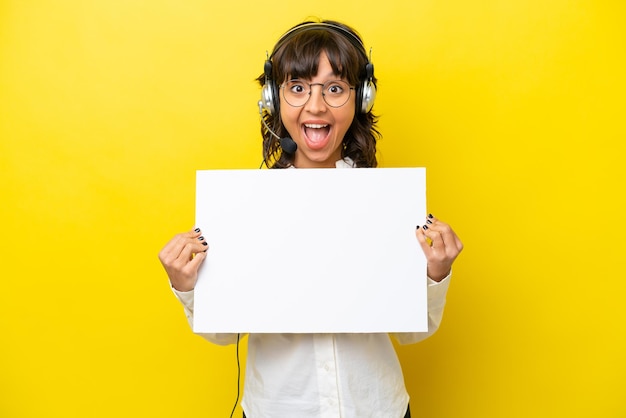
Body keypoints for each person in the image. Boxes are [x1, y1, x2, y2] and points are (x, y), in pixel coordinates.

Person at [158, 19, 463, 418]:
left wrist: (435, 274)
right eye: (298, 88)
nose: (315, 106)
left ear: (360, 99)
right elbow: (222, 333)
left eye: (334, 89)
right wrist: (187, 286)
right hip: (278, 407)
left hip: (373, 406)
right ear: (272, 99)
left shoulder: (388, 205)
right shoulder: (244, 209)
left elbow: (412, 330)